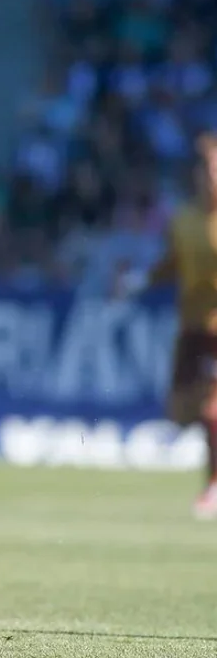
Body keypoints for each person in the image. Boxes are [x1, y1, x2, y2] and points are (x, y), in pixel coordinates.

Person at [129, 134, 217, 519]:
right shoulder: (183, 219)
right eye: (208, 168)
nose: (212, 175)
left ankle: (213, 487)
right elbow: (172, 263)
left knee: (214, 411)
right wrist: (141, 280)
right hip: (193, 328)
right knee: (184, 411)